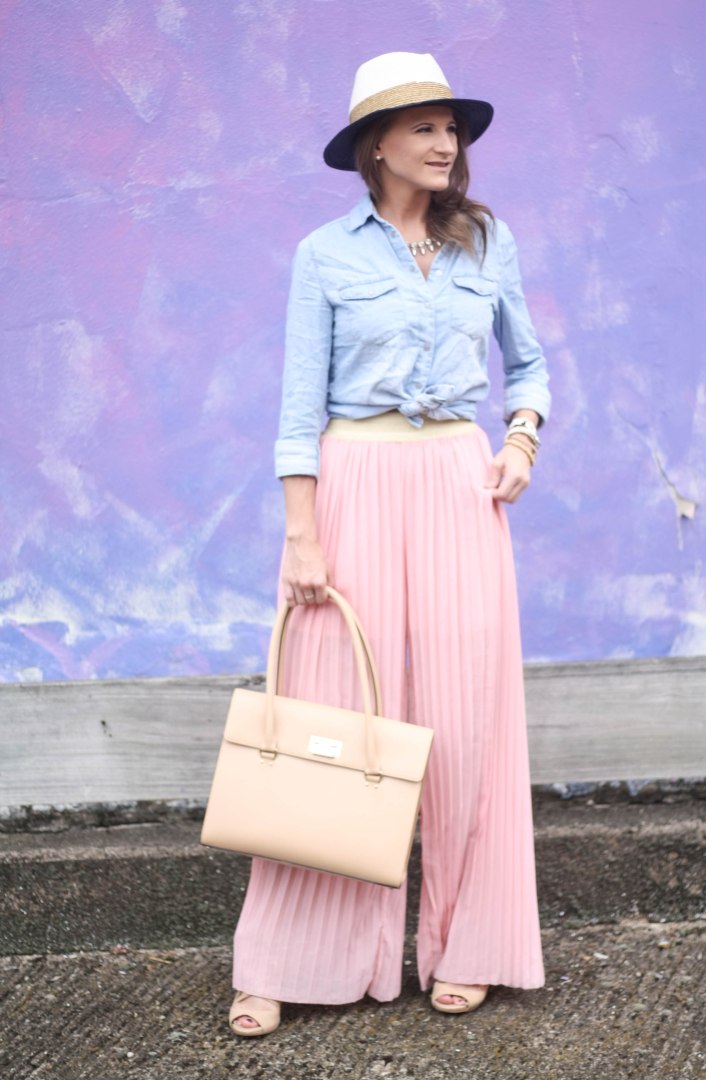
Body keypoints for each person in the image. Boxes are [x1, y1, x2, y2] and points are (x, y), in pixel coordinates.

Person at [229, 51, 550, 1037]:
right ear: (377, 145)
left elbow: (528, 363)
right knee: (330, 719)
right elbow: (296, 413)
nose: (446, 142)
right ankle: (294, 956)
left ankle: (470, 943)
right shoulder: (324, 255)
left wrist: (521, 438)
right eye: (423, 127)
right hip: (353, 479)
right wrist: (301, 537)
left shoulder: (485, 244)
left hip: (458, 485)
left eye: (452, 127)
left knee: (465, 722)